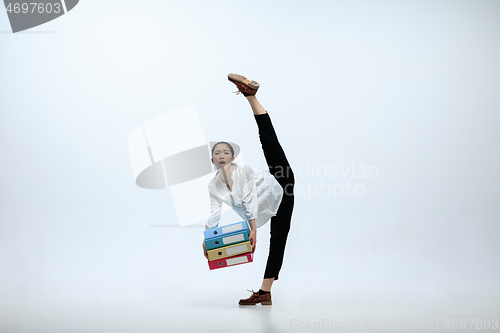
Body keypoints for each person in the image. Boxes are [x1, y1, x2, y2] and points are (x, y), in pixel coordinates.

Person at [202, 73, 295, 306]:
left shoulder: (240, 172)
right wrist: (208, 238)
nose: (221, 156)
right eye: (217, 153)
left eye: (226, 153)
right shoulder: (214, 185)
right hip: (273, 201)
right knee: (279, 238)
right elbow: (213, 212)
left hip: (280, 182)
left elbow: (250, 198)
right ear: (212, 161)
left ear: (232, 159)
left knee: (267, 139)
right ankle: (265, 292)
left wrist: (252, 228)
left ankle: (250, 96)